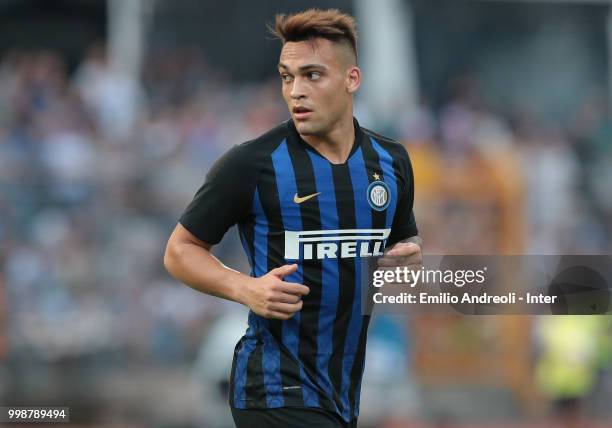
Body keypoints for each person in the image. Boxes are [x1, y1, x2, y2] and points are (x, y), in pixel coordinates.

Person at [164, 8, 422, 428]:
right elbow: (179, 251)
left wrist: (407, 258)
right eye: (288, 76)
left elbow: (405, 244)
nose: (295, 91)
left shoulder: (391, 161)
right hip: (272, 387)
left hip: (341, 394)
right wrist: (244, 288)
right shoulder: (252, 163)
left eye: (312, 75)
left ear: (351, 79)